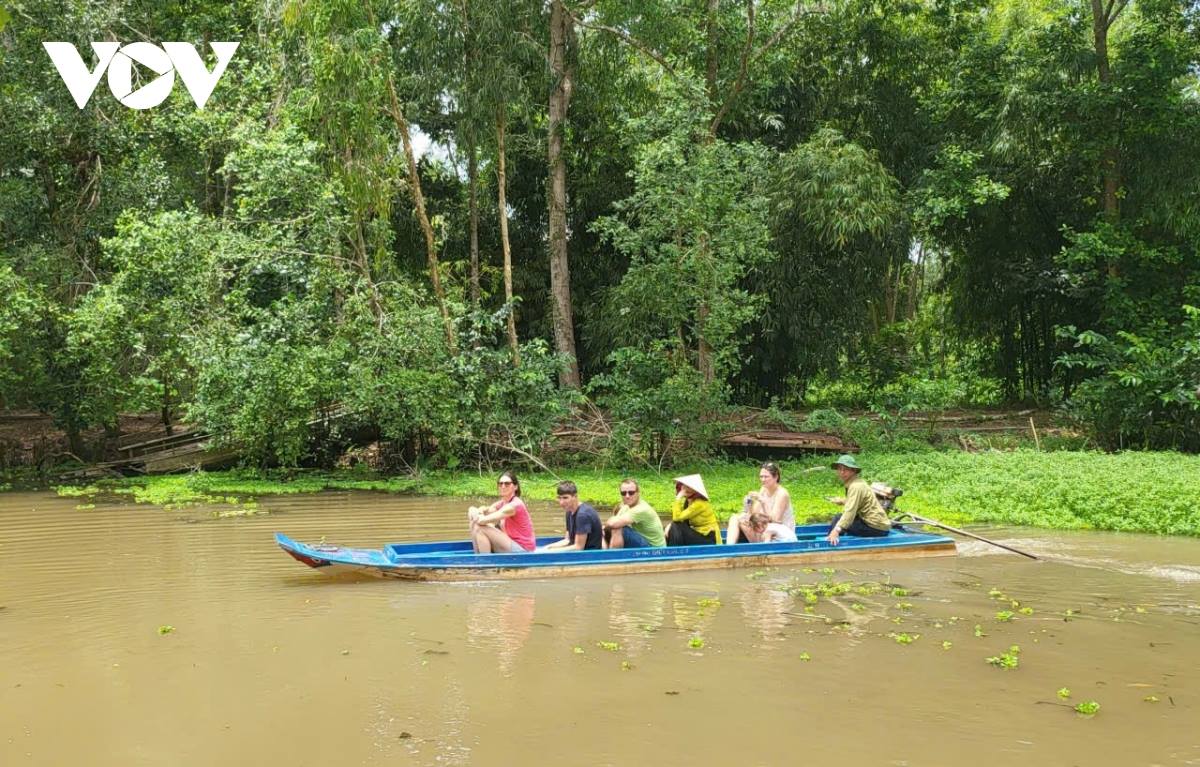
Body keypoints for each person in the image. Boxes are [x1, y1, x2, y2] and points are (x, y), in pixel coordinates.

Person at [825, 454, 891, 545]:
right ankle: (836, 539)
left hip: (876, 528)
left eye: (846, 469)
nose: (842, 472)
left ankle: (830, 542)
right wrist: (841, 501)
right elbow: (856, 501)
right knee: (840, 520)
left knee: (838, 519)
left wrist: (836, 530)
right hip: (876, 524)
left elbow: (850, 512)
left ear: (853, 471)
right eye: (840, 469)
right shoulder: (857, 482)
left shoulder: (855, 486)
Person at [468, 471, 537, 553]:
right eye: (500, 484)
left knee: (480, 527)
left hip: (523, 549)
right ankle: (478, 556)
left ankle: (485, 562)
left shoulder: (515, 505)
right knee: (473, 522)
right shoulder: (502, 503)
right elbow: (488, 510)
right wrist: (477, 510)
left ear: (515, 487)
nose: (503, 486)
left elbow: (482, 521)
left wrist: (477, 514)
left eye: (507, 484)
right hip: (510, 543)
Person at [726, 462, 795, 544]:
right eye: (761, 477)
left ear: (776, 477)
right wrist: (749, 505)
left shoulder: (782, 494)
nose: (763, 479)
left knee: (743, 520)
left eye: (766, 477)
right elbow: (754, 514)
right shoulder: (764, 489)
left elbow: (775, 521)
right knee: (735, 518)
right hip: (764, 528)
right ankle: (729, 547)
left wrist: (763, 502)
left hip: (778, 536)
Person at [604, 478, 666, 549]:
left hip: (654, 550)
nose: (627, 496)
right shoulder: (626, 507)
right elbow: (611, 524)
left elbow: (613, 523)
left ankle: (614, 558)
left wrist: (608, 524)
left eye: (631, 493)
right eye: (623, 493)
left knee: (617, 528)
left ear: (638, 493)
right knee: (605, 530)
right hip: (642, 542)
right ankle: (604, 554)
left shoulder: (642, 509)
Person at [542, 481, 604, 551]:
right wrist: (547, 547)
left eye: (565, 498)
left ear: (575, 496)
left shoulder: (583, 515)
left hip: (589, 555)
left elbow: (579, 547)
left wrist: (552, 551)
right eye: (559, 498)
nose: (561, 502)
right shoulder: (569, 511)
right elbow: (568, 540)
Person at [665, 474, 722, 546]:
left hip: (709, 538)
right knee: (674, 526)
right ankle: (672, 551)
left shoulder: (699, 504)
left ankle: (675, 552)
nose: (684, 489)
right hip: (698, 534)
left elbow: (676, 518)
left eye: (688, 487)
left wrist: (678, 498)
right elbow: (682, 521)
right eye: (683, 486)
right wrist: (670, 527)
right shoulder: (688, 502)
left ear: (695, 490)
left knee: (675, 525)